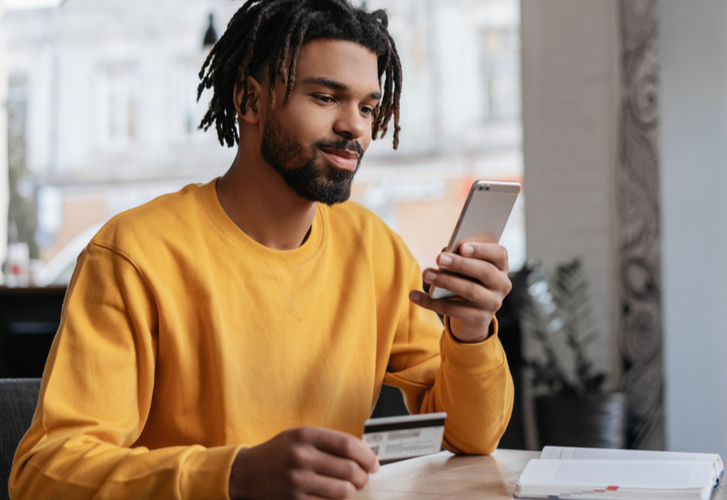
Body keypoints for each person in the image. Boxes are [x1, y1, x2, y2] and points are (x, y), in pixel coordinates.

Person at [9, 1, 514, 499]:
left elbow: (469, 436)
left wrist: (470, 334)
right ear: (250, 101)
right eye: (324, 97)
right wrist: (235, 475)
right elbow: (46, 473)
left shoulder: (374, 248)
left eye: (366, 107)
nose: (355, 127)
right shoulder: (134, 253)